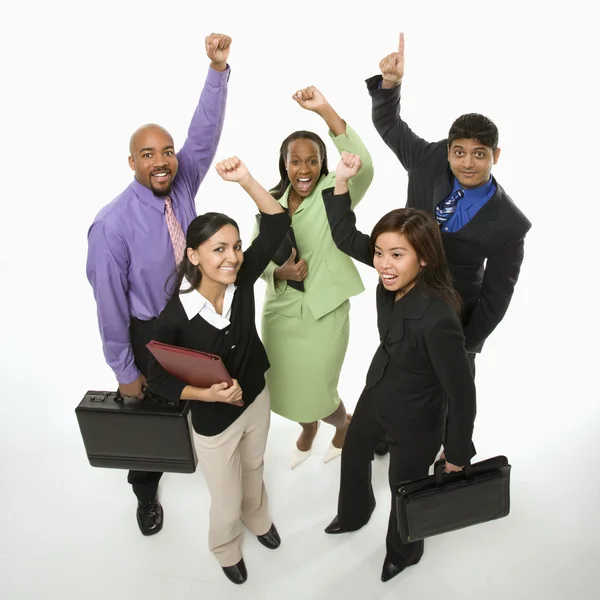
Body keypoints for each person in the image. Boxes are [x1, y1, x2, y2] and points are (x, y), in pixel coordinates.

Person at [86, 33, 232, 536]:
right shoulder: (112, 225)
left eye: (167, 152)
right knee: (148, 419)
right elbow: (109, 307)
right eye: (149, 154)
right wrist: (125, 370)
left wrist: (216, 71)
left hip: (192, 317)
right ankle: (146, 492)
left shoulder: (183, 183)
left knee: (207, 397)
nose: (162, 160)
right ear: (133, 163)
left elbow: (204, 134)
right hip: (147, 332)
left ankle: (222, 476)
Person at [366, 33, 531, 456]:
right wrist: (390, 85)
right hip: (402, 292)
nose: (467, 163)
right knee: (396, 364)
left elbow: (497, 294)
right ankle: (387, 427)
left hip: (453, 311)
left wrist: (469, 342)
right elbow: (390, 126)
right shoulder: (429, 160)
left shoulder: (509, 224)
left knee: (450, 385)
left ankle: (449, 448)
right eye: (460, 152)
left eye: (479, 154)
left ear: (496, 155)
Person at [321, 152, 476, 583]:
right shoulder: (391, 275)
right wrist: (341, 181)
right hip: (379, 389)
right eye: (379, 253)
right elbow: (342, 234)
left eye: (397, 255)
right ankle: (354, 514)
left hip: (418, 416)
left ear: (423, 258)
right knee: (353, 451)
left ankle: (404, 551)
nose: (384, 264)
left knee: (404, 487)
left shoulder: (438, 316)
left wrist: (458, 453)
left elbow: (461, 392)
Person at [146, 156, 290, 585]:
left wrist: (245, 179)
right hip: (213, 421)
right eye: (219, 249)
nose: (232, 257)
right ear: (193, 255)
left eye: (236, 246)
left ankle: (259, 519)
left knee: (255, 469)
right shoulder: (174, 316)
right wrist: (205, 395)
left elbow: (278, 223)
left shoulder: (242, 279)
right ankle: (225, 546)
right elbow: (158, 379)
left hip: (255, 399)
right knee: (224, 500)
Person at [256, 86, 374, 468]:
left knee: (319, 391)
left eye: (312, 161)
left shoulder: (334, 190)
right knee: (284, 387)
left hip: (324, 311)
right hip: (281, 313)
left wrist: (324, 110)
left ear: (323, 163)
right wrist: (280, 272)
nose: (303, 169)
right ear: (285, 164)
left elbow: (365, 166)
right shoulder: (270, 201)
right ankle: (307, 429)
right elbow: (255, 259)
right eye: (295, 161)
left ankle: (342, 423)